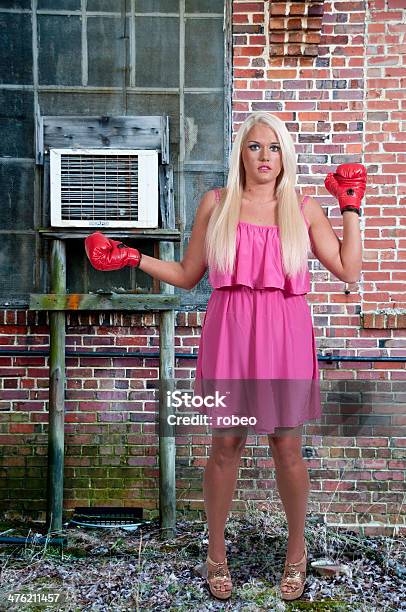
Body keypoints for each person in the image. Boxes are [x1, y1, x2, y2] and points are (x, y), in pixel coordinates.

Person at [84, 111, 366, 602]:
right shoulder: (217, 203)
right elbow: (189, 273)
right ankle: (216, 554)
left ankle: (296, 552)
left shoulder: (301, 207)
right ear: (241, 151)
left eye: (274, 148)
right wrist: (132, 256)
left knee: (286, 448)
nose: (264, 157)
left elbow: (348, 269)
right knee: (225, 444)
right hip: (230, 330)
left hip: (285, 331)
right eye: (255, 147)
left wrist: (350, 206)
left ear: (285, 156)